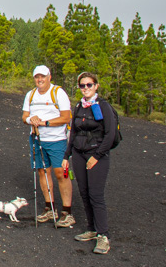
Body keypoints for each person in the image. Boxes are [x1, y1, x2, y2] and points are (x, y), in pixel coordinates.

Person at [63, 72, 117, 254]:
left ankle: (103, 235)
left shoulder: (103, 106)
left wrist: (97, 156)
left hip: (96, 155)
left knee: (96, 194)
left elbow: (110, 134)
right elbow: (73, 132)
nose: (85, 88)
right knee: (84, 192)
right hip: (79, 153)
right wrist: (67, 155)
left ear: (96, 86)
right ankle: (92, 229)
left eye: (89, 85)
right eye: (82, 85)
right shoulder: (79, 106)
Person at [22, 65, 74, 227]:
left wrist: (45, 123)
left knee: (61, 173)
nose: (40, 80)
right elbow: (25, 116)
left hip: (57, 139)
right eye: (37, 77)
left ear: (49, 77)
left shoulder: (58, 93)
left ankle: (67, 212)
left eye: (43, 76)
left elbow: (66, 117)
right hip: (37, 139)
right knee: (43, 171)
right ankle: (50, 208)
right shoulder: (30, 95)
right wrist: (31, 120)